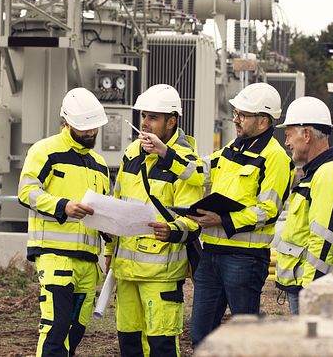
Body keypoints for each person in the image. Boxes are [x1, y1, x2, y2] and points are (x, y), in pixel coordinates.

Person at [189, 82, 294, 348]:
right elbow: (197, 172)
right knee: (201, 337)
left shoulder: (275, 158)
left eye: (242, 115)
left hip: (244, 259)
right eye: (235, 113)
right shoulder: (230, 149)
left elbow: (269, 211)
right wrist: (165, 154)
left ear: (263, 121)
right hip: (211, 254)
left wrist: (223, 220)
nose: (235, 119)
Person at [105, 84, 204, 357]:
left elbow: (193, 218)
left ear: (171, 121)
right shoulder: (131, 153)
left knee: (161, 347)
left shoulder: (185, 161)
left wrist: (172, 231)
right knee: (129, 345)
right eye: (143, 116)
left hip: (161, 275)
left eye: (153, 118)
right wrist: (108, 248)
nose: (145, 124)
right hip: (126, 272)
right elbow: (118, 202)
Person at [18, 87, 110, 357]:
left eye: (94, 127)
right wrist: (63, 206)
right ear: (66, 122)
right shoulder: (45, 151)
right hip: (55, 256)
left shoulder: (100, 164)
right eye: (85, 128)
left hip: (87, 262)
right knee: (56, 327)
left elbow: (103, 210)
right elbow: (26, 192)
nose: (91, 133)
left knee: (75, 330)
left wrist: (112, 234)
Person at [274, 96, 333, 315]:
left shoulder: (328, 173)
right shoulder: (320, 172)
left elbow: (322, 238)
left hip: (310, 285)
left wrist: (312, 289)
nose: (287, 142)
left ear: (306, 134)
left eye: (289, 134)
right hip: (304, 282)